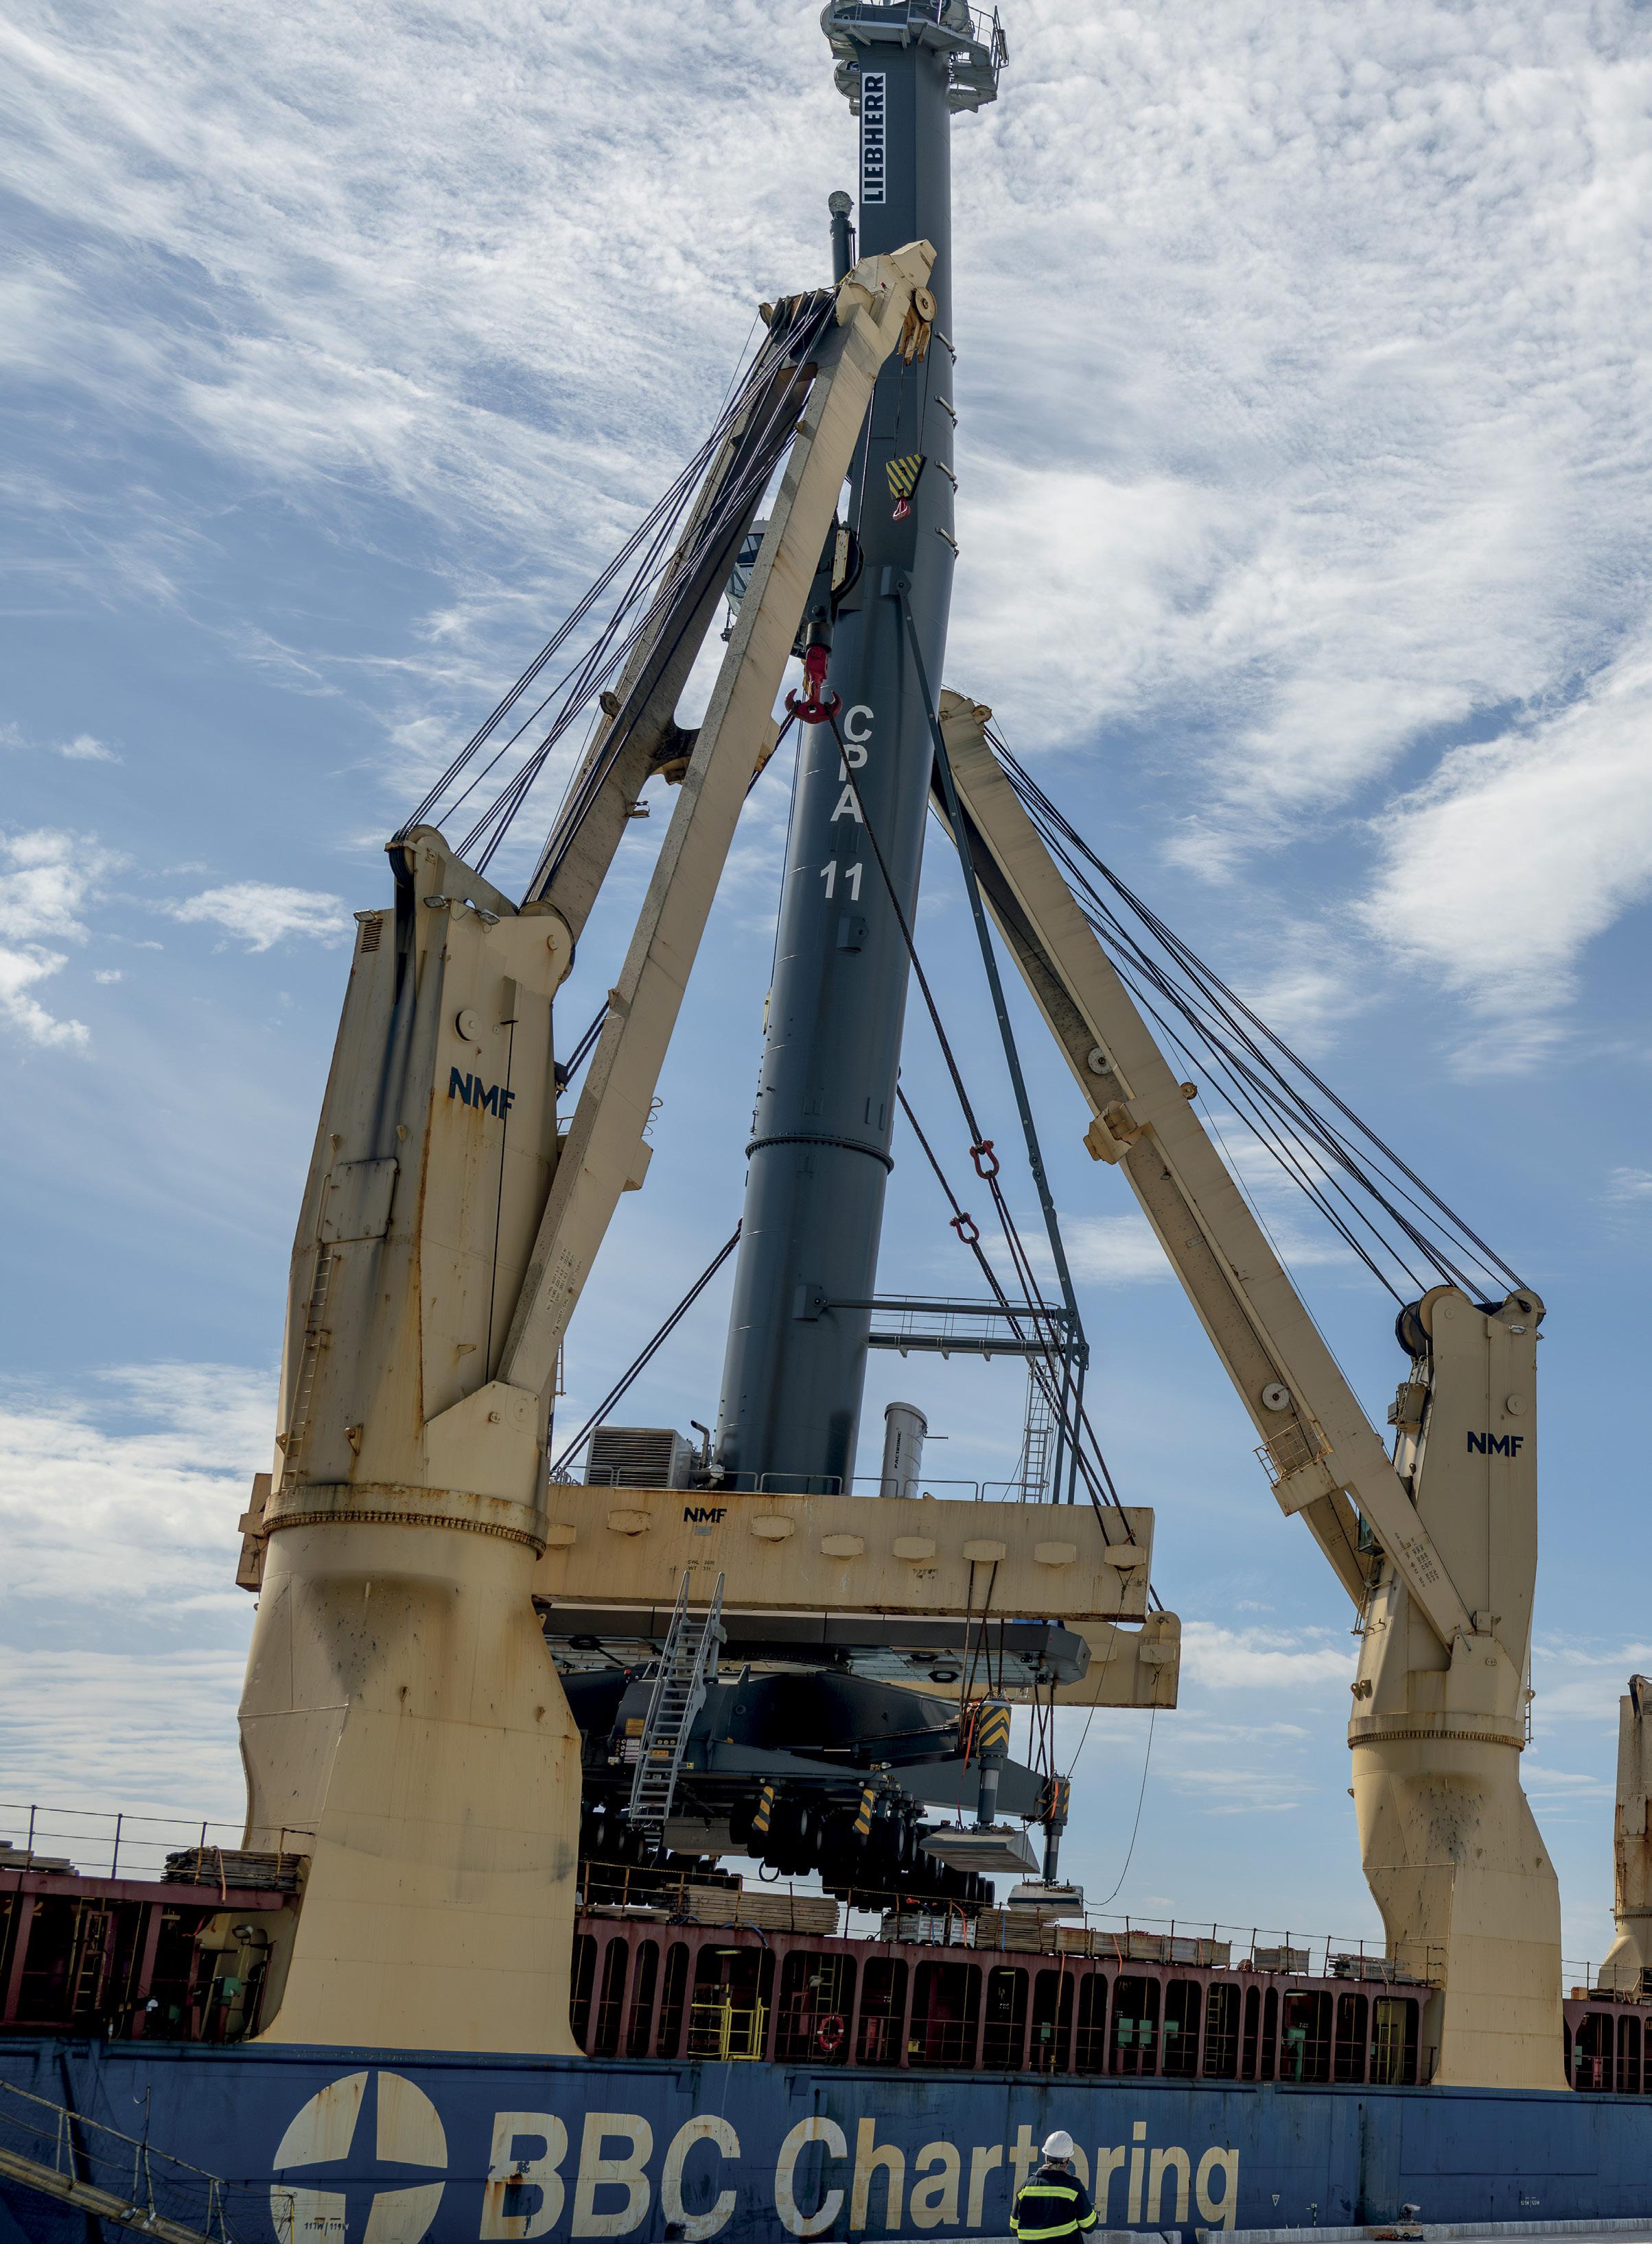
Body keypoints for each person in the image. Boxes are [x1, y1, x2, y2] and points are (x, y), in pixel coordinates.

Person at [1011, 2131, 1097, 2241]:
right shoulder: (1073, 2187)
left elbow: (1014, 2227)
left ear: (1046, 2156)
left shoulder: (1027, 2186)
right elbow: (1089, 2226)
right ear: (1067, 2161)